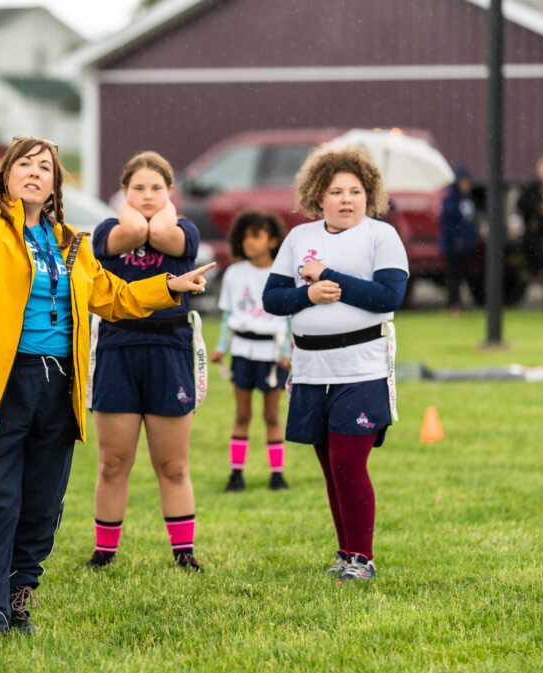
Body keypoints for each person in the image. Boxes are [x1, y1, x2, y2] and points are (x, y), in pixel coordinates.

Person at [0, 137, 213, 636]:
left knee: (42, 501)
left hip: (56, 384)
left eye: (44, 166)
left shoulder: (71, 241)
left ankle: (17, 599)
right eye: (24, 164)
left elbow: (110, 297)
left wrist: (169, 288)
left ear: (55, 182)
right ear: (6, 176)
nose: (34, 172)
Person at [263, 145, 407, 583]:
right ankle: (345, 553)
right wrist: (306, 294)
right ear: (317, 196)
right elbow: (273, 300)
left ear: (370, 195)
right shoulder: (298, 239)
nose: (347, 199)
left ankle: (363, 558)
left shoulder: (381, 236)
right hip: (310, 371)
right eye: (336, 191)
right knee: (329, 465)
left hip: (361, 369)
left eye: (356, 191)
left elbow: (388, 297)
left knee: (349, 461)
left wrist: (330, 278)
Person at [86, 151, 203, 572]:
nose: (148, 196)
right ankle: (104, 553)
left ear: (171, 193)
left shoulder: (184, 230)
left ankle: (183, 553)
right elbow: (135, 230)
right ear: (123, 192)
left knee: (172, 464)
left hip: (170, 351)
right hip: (119, 350)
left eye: (157, 188)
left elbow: (162, 234)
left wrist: (163, 210)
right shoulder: (107, 231)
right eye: (138, 188)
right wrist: (131, 212)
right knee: (113, 462)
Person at [211, 210, 290, 493]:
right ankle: (236, 475)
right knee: (242, 415)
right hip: (243, 352)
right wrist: (222, 348)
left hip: (272, 355)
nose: (249, 242)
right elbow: (228, 316)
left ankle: (277, 476)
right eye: (244, 237)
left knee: (271, 416)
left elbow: (289, 317)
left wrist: (286, 352)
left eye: (256, 236)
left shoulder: (282, 275)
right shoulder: (234, 274)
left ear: (273, 241)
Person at [516, 154, 543, 309]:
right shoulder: (532, 187)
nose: (541, 170)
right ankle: (515, 298)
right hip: (536, 235)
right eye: (541, 167)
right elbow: (522, 204)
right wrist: (539, 207)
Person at [439, 166, 478, 313]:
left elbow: (470, 221)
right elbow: (447, 222)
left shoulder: (467, 198)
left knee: (462, 275)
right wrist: (456, 238)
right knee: (453, 275)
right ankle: (452, 303)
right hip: (453, 245)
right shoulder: (451, 199)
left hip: (465, 245)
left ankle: (458, 303)